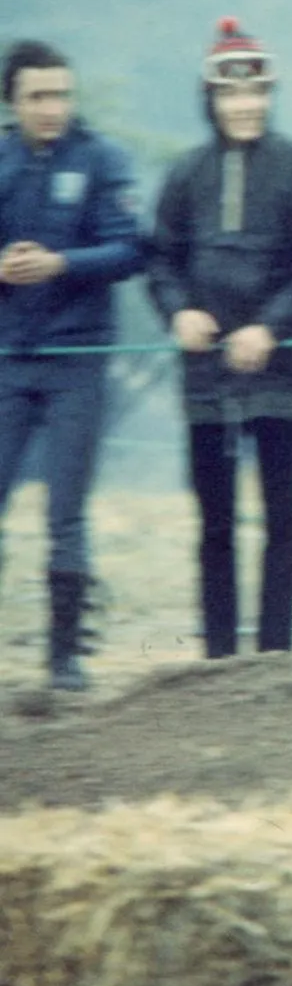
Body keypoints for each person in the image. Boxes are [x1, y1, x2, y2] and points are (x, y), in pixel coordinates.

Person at [147, 19, 292, 658]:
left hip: (278, 373)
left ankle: (277, 654)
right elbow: (161, 258)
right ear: (212, 100)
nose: (244, 105)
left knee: (282, 516)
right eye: (230, 95)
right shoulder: (186, 174)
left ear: (269, 95)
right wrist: (178, 312)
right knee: (214, 522)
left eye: (255, 93)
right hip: (206, 375)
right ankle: (219, 659)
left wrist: (272, 328)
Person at [0, 40, 143, 692]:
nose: (52, 107)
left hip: (78, 359)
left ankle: (65, 659)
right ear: (12, 101)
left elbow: (131, 249)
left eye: (61, 93)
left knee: (66, 512)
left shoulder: (103, 159)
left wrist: (60, 264)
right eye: (37, 96)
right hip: (9, 359)